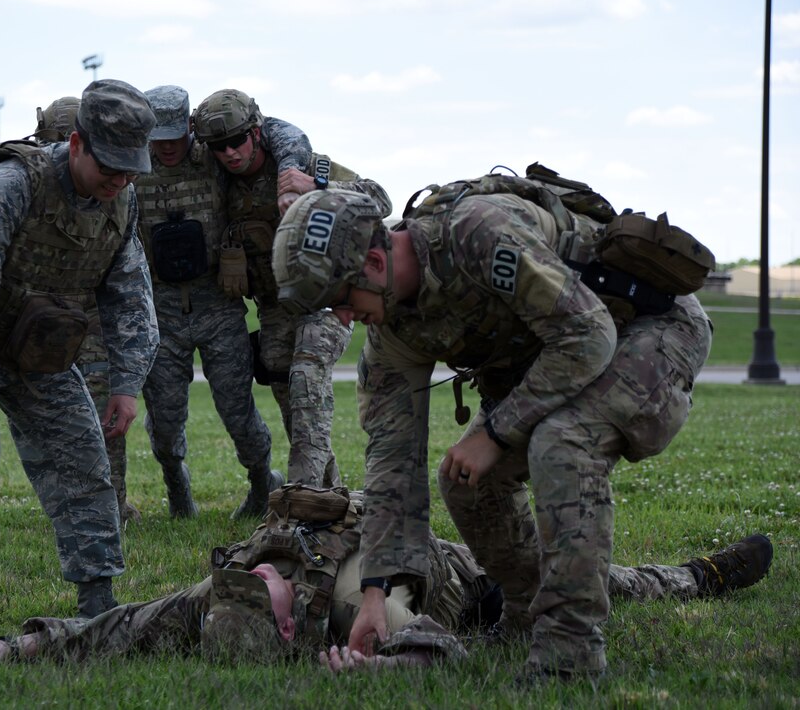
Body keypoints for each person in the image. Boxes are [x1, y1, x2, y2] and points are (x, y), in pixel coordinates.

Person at [271, 180, 717, 682]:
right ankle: (525, 613)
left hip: (648, 328)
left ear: (374, 264)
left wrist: (497, 433)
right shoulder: (393, 330)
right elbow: (392, 464)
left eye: (342, 298)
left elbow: (589, 335)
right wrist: (376, 593)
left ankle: (569, 653)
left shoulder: (478, 234)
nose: (344, 317)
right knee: (464, 478)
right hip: (563, 354)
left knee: (562, 443)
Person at [0, 484, 772, 669]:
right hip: (475, 597)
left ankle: (698, 575)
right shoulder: (288, 614)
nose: (262, 577)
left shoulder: (244, 579)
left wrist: (5, 646)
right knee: (588, 590)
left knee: (599, 578)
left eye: (260, 577)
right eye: (264, 591)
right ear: (283, 629)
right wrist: (380, 667)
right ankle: (695, 577)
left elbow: (118, 620)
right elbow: (445, 652)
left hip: (455, 557)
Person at [0, 79, 159, 657]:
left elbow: (129, 293)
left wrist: (126, 384)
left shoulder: (123, 199)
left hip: (41, 349)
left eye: (129, 170)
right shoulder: (14, 185)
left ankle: (98, 604)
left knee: (84, 464)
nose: (118, 180)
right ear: (76, 145)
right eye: (109, 166)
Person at [191, 89, 393, 489]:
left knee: (305, 376)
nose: (230, 152)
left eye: (237, 140)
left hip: (329, 297)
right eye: (219, 146)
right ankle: (329, 491)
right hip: (275, 305)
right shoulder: (221, 186)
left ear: (256, 132)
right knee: (292, 399)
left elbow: (380, 199)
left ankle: (303, 495)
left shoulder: (304, 166)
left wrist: (317, 186)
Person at [134, 85, 312, 519]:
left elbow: (275, 133)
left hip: (218, 305)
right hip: (161, 312)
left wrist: (290, 168)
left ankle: (258, 483)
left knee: (238, 411)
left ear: (190, 130)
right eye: (160, 138)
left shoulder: (212, 157)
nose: (169, 147)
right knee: (165, 419)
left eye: (178, 136)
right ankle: (177, 487)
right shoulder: (132, 169)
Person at [33, 95, 139, 524]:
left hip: (91, 318)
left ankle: (109, 506)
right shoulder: (27, 185)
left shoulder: (116, 190)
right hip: (40, 319)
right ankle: (76, 504)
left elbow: (128, 276)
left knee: (103, 415)